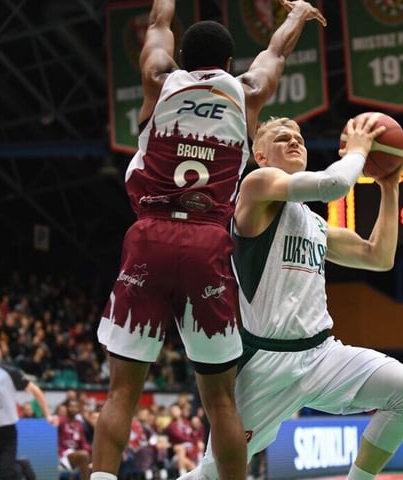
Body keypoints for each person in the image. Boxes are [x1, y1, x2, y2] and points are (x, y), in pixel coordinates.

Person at [93, 1, 326, 479]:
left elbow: (157, 22)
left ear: (181, 52)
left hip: (149, 238)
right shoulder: (247, 92)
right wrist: (297, 15)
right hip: (206, 244)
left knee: (122, 393)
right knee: (219, 399)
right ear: (228, 63)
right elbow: (275, 53)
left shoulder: (159, 78)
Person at [181, 115, 403, 480]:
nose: (295, 142)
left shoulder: (313, 224)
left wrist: (389, 187)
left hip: (321, 354)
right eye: (283, 138)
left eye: (299, 137)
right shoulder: (255, 186)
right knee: (212, 475)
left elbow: (379, 256)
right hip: (265, 363)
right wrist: (360, 150)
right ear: (260, 155)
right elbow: (333, 184)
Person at [0, 335, 55, 480]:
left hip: (7, 433)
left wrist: (47, 414)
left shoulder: (10, 373)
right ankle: (19, 464)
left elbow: (36, 391)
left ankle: (18, 466)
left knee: (7, 474)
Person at [59, 399, 92, 480]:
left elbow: (83, 443)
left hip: (76, 453)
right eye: (71, 406)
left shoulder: (79, 424)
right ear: (67, 408)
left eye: (75, 407)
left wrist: (92, 451)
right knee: (83, 455)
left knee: (94, 454)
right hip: (62, 454)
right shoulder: (61, 421)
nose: (73, 409)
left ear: (78, 409)